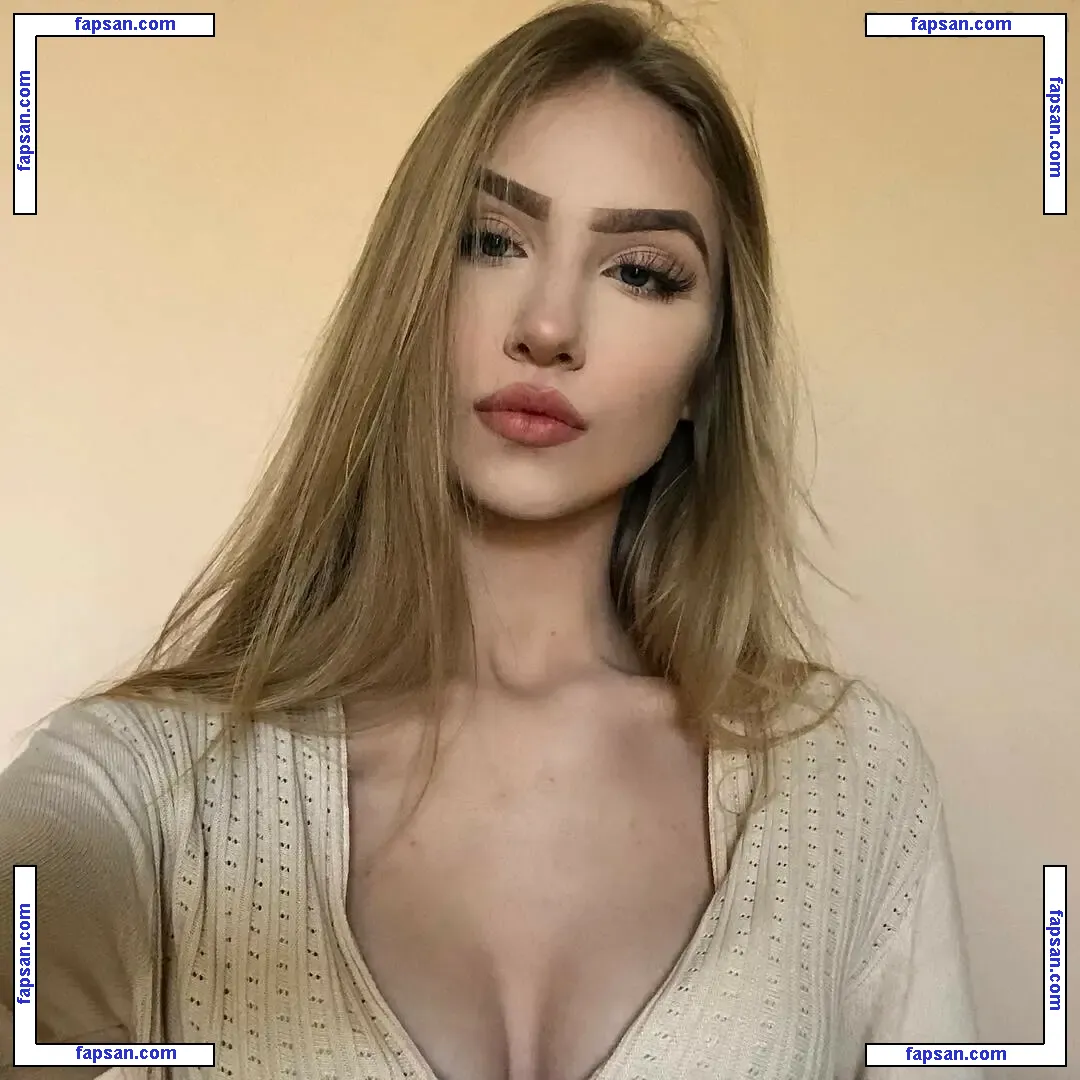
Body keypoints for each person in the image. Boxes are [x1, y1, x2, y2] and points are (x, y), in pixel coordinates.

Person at [1, 1, 984, 1077]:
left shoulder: (852, 786)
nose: (548, 326)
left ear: (707, 374)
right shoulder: (131, 800)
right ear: (407, 297)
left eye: (641, 271)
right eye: (491, 241)